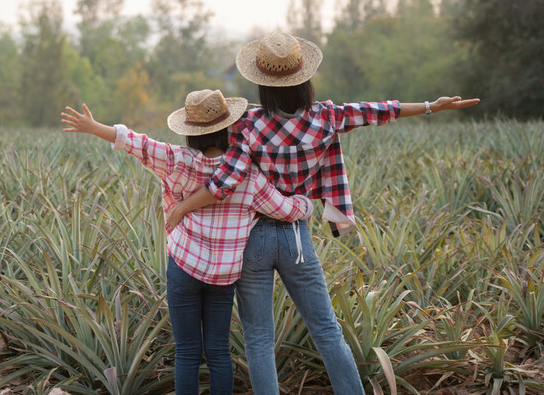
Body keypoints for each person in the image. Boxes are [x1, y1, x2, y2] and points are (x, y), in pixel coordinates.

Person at [167, 32, 481, 395]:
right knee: (327, 330)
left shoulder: (248, 126)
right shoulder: (328, 117)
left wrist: (182, 208)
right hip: (297, 236)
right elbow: (379, 111)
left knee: (257, 338)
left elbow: (222, 183)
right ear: (305, 80)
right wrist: (431, 105)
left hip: (252, 237)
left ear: (263, 86)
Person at [61, 89, 313, 395]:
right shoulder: (248, 176)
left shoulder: (177, 160)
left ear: (191, 133)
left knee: (187, 352)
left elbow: (136, 143)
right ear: (228, 128)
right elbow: (287, 211)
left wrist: (93, 127)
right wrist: (310, 204)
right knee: (219, 351)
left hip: (184, 267)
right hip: (223, 277)